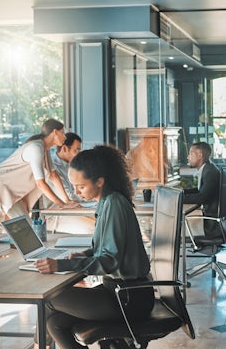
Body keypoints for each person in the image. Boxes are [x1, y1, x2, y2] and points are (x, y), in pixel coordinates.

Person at [32, 145, 153, 349]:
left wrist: (60, 265)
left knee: (47, 299)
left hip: (127, 299)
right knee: (55, 323)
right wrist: (85, 254)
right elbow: (107, 249)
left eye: (81, 186)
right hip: (119, 293)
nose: (76, 193)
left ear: (100, 181)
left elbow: (109, 261)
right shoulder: (107, 201)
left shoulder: (114, 203)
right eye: (73, 186)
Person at [0, 119, 78, 233]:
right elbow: (41, 184)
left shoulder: (45, 149)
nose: (65, 137)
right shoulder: (36, 148)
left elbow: (53, 175)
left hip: (11, 192)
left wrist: (67, 201)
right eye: (62, 133)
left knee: (22, 230)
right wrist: (62, 204)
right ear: (54, 132)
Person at [44, 132, 96, 234]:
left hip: (73, 209)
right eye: (76, 150)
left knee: (104, 222)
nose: (78, 154)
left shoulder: (71, 165)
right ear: (64, 149)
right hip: (57, 214)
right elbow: (69, 198)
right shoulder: (54, 168)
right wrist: (90, 196)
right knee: (93, 228)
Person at [183, 141, 222, 239]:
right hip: (212, 220)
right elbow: (202, 190)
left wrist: (178, 198)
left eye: (191, 153)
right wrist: (184, 192)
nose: (188, 157)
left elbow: (202, 197)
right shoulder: (209, 168)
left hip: (211, 224)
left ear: (200, 155)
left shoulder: (210, 172)